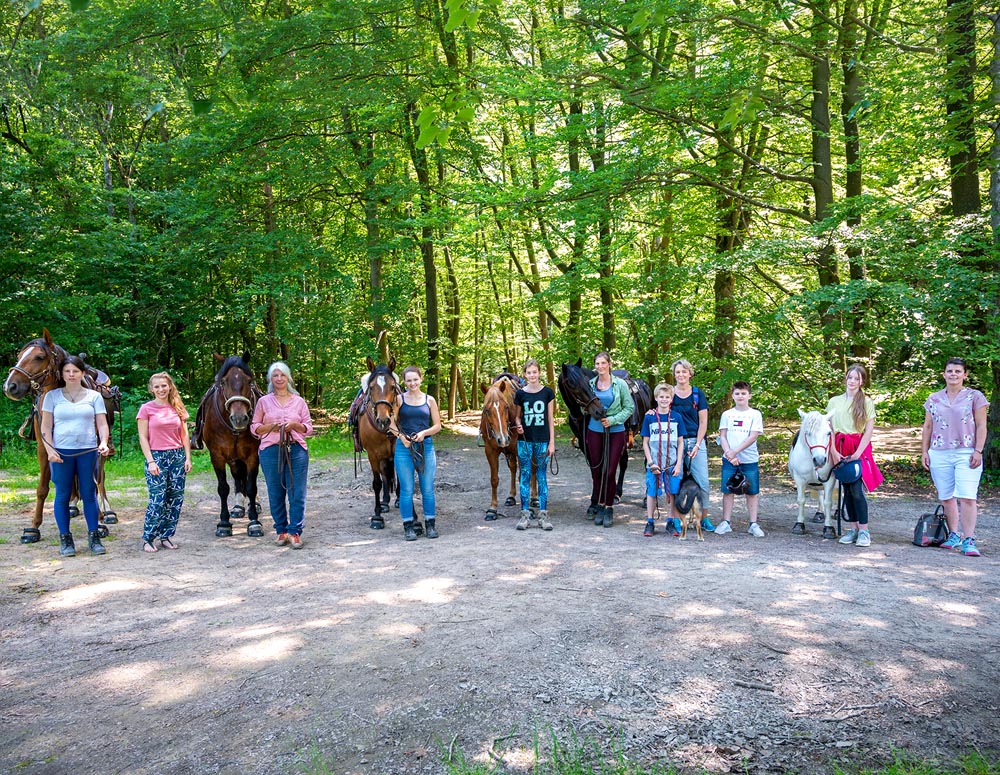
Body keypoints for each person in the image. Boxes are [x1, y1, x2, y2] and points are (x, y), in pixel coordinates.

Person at [39, 355, 111, 557]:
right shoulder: (51, 397)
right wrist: (50, 449)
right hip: (61, 453)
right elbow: (46, 426)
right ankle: (65, 539)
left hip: (87, 451)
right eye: (67, 371)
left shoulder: (93, 397)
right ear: (62, 374)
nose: (71, 375)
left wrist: (103, 442)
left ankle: (94, 536)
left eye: (75, 371)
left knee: (89, 493)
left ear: (83, 373)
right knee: (62, 495)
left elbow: (102, 423)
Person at [921, 358, 989, 557]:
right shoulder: (934, 398)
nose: (953, 374)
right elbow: (927, 426)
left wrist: (978, 450)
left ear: (965, 375)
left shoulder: (975, 397)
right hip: (939, 451)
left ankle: (969, 539)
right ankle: (953, 534)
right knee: (946, 496)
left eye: (958, 371)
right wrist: (924, 451)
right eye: (949, 371)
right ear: (943, 374)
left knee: (967, 496)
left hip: (966, 451)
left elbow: (981, 425)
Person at [251, 362, 313, 549]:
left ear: (288, 378)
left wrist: (295, 426)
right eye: (275, 376)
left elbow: (308, 428)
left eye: (282, 375)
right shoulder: (263, 402)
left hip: (296, 449)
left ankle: (295, 531)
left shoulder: (299, 401)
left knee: (297, 491)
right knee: (275, 491)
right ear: (271, 379)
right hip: (271, 450)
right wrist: (270, 427)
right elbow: (254, 427)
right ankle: (281, 530)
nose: (279, 379)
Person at [828, 363, 883, 547]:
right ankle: (852, 529)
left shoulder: (866, 402)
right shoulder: (834, 401)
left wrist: (858, 453)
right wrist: (834, 452)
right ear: (845, 378)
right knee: (847, 491)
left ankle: (864, 531)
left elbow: (868, 431)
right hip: (839, 447)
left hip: (859, 448)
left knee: (857, 490)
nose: (852, 381)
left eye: (856, 378)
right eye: (850, 377)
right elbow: (829, 429)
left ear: (862, 382)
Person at [137, 372, 192, 553]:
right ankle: (148, 538)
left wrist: (187, 458)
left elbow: (184, 435)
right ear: (151, 389)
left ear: (170, 387)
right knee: (158, 499)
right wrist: (151, 461)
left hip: (177, 457)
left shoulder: (177, 407)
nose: (161, 389)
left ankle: (166, 535)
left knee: (175, 499)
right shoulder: (146, 409)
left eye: (164, 386)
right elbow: (143, 438)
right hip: (157, 457)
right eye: (157, 386)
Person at [390, 366, 442, 541]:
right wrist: (401, 437)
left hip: (425, 447)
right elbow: (391, 423)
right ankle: (408, 527)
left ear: (421, 379)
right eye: (409, 380)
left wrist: (424, 433)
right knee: (407, 490)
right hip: (404, 448)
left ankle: (430, 525)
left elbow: (437, 426)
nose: (412, 383)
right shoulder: (399, 399)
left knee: (427, 489)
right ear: (404, 382)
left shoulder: (430, 400)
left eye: (415, 379)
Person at [586, 351, 635, 528]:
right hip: (594, 430)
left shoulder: (620, 384)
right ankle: (599, 505)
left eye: (603, 363)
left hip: (616, 431)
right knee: (597, 470)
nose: (600, 367)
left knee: (610, 471)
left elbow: (629, 408)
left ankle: (608, 508)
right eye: (597, 364)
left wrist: (613, 420)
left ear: (609, 364)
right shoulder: (591, 384)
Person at [715, 381, 765, 537]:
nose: (740, 396)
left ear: (749, 395)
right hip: (729, 459)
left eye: (743, 393)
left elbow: (753, 436)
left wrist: (735, 451)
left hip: (749, 459)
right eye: (737, 393)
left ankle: (753, 524)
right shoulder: (727, 415)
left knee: (751, 491)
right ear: (733, 396)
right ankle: (726, 522)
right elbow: (722, 436)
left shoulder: (755, 414)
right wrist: (729, 453)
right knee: (727, 490)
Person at [669, 359, 714, 531]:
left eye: (684, 371)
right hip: (674, 443)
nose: (681, 375)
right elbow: (661, 412)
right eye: (678, 372)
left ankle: (704, 518)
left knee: (703, 482)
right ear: (674, 374)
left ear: (690, 373)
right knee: (675, 482)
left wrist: (698, 444)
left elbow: (703, 422)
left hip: (695, 442)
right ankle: (675, 519)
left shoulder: (697, 394)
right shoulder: (669, 393)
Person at [512, 359, 556, 531]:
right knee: (524, 475)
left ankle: (543, 515)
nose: (532, 375)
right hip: (525, 441)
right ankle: (524, 514)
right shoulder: (520, 394)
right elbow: (516, 416)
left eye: (534, 372)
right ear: (525, 374)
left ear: (539, 372)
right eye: (529, 372)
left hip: (543, 440)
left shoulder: (548, 393)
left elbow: (551, 419)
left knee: (541, 477)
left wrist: (552, 442)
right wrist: (518, 424)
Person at [640, 383, 686, 537]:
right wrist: (651, 463)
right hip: (654, 464)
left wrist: (679, 464)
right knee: (652, 492)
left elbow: (680, 442)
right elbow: (645, 442)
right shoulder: (650, 417)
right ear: (656, 398)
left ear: (671, 399)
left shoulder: (677, 417)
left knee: (672, 492)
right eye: (661, 397)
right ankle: (650, 521)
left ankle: (671, 521)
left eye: (667, 397)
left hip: (672, 464)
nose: (664, 400)